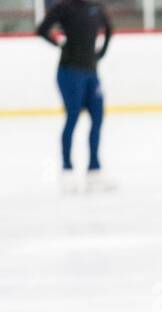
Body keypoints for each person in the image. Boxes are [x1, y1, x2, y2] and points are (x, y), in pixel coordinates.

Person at [36, 0, 113, 192]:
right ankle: (67, 169)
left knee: (97, 117)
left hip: (91, 72)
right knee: (73, 116)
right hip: (69, 71)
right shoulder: (64, 7)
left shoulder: (95, 7)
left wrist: (101, 52)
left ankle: (94, 169)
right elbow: (42, 29)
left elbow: (110, 28)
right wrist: (60, 43)